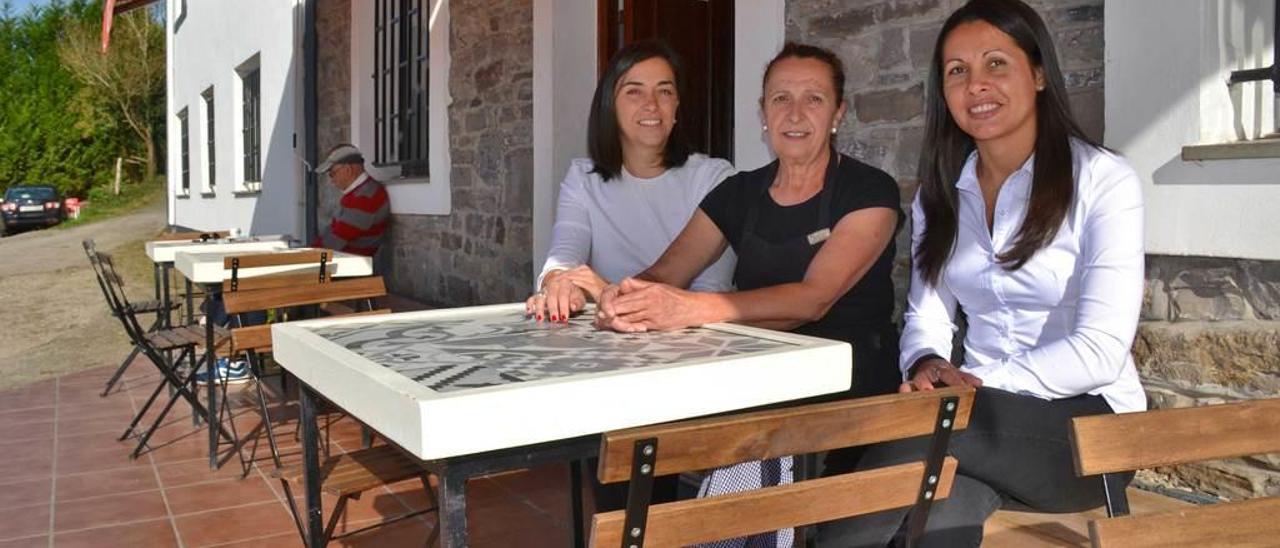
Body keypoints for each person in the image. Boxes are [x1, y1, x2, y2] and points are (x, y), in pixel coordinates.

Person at [817, 0, 1145, 545]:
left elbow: (1100, 351)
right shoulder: (942, 193)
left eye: (997, 63)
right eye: (957, 71)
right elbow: (926, 315)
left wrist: (971, 386)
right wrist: (927, 363)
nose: (976, 85)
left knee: (924, 429)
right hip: (975, 425)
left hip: (1089, 429)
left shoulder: (1103, 180)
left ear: (1038, 73)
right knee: (939, 521)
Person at [594, 42, 904, 547]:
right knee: (628, 423)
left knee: (747, 449)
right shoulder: (739, 193)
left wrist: (689, 309)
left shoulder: (869, 191)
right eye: (780, 99)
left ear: (838, 113)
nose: (796, 114)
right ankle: (643, 537)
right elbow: (668, 270)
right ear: (762, 112)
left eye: (814, 99)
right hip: (755, 369)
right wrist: (623, 296)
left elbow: (813, 299)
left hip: (847, 377)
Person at [525, 40, 735, 322]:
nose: (651, 105)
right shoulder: (583, 178)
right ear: (610, 105)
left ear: (676, 107)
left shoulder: (716, 179)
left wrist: (606, 293)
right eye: (634, 91)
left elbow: (708, 295)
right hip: (608, 343)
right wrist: (557, 283)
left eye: (664, 91)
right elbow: (563, 257)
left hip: (692, 348)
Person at [312, 143, 390, 257]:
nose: (331, 180)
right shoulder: (358, 193)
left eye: (332, 173)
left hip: (349, 265)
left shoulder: (364, 197)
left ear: (348, 169)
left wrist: (306, 255)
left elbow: (332, 242)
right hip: (344, 261)